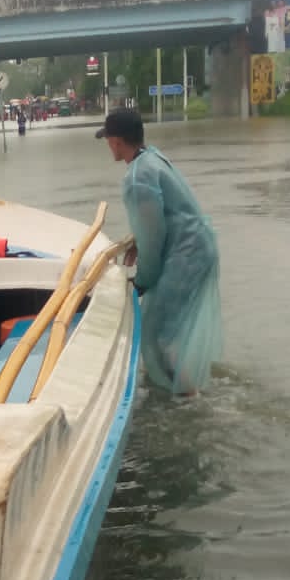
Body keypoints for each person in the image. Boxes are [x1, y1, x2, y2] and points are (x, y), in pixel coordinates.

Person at [97, 108, 221, 396]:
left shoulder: (137, 178)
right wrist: (139, 244)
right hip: (196, 248)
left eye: (108, 139)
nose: (107, 146)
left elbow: (154, 238)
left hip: (186, 255)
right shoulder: (152, 158)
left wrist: (141, 281)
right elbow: (163, 218)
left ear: (116, 141)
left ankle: (189, 400)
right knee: (163, 330)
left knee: (156, 334)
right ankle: (179, 388)